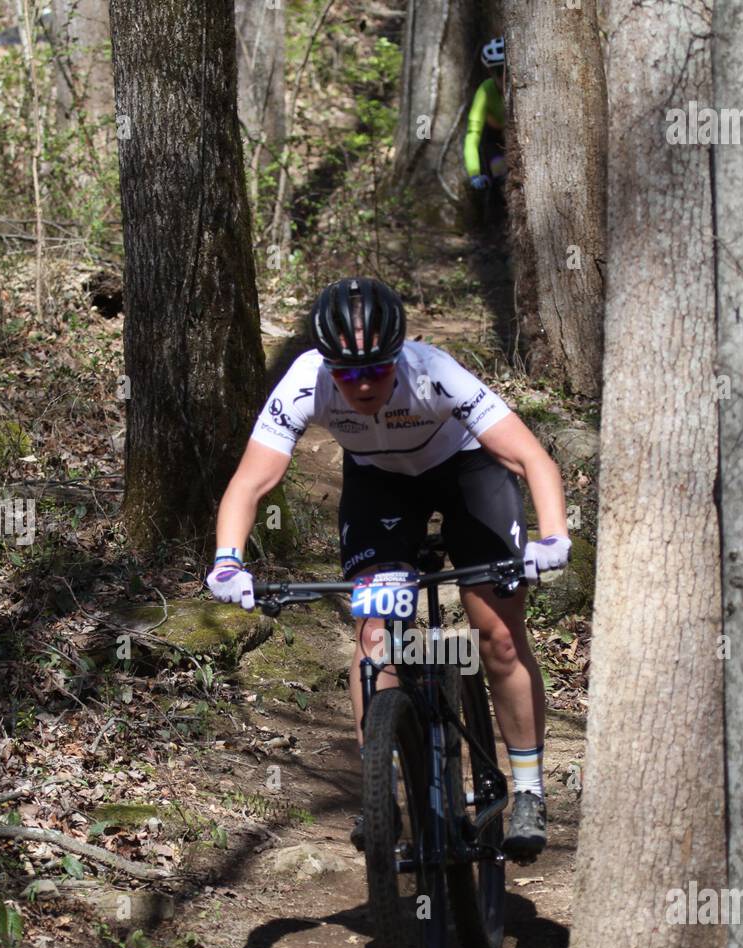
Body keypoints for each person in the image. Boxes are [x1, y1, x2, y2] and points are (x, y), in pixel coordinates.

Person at [207, 277, 570, 861]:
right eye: (347, 374)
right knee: (375, 636)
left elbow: (530, 457)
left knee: (497, 634)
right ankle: (383, 793)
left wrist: (553, 535)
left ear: (398, 356)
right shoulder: (306, 382)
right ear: (328, 366)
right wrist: (228, 561)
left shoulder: (434, 372)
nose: (364, 383)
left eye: (376, 369)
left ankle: (527, 787)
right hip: (380, 486)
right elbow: (252, 480)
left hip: (466, 471)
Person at [464, 36, 506, 194]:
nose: (502, 76)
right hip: (495, 140)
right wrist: (474, 173)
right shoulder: (486, 90)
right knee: (500, 173)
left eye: (505, 69)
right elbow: (472, 136)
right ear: (490, 72)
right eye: (497, 71)